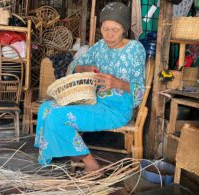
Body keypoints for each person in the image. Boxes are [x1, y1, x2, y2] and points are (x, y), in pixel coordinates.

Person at [34, 2, 146, 172]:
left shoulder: (135, 49)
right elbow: (74, 67)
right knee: (45, 108)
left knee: (57, 116)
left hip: (117, 109)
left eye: (114, 30)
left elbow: (139, 89)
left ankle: (91, 164)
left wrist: (117, 83)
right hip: (94, 102)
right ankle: (67, 150)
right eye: (105, 29)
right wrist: (84, 68)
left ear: (124, 29)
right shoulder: (99, 47)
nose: (109, 35)